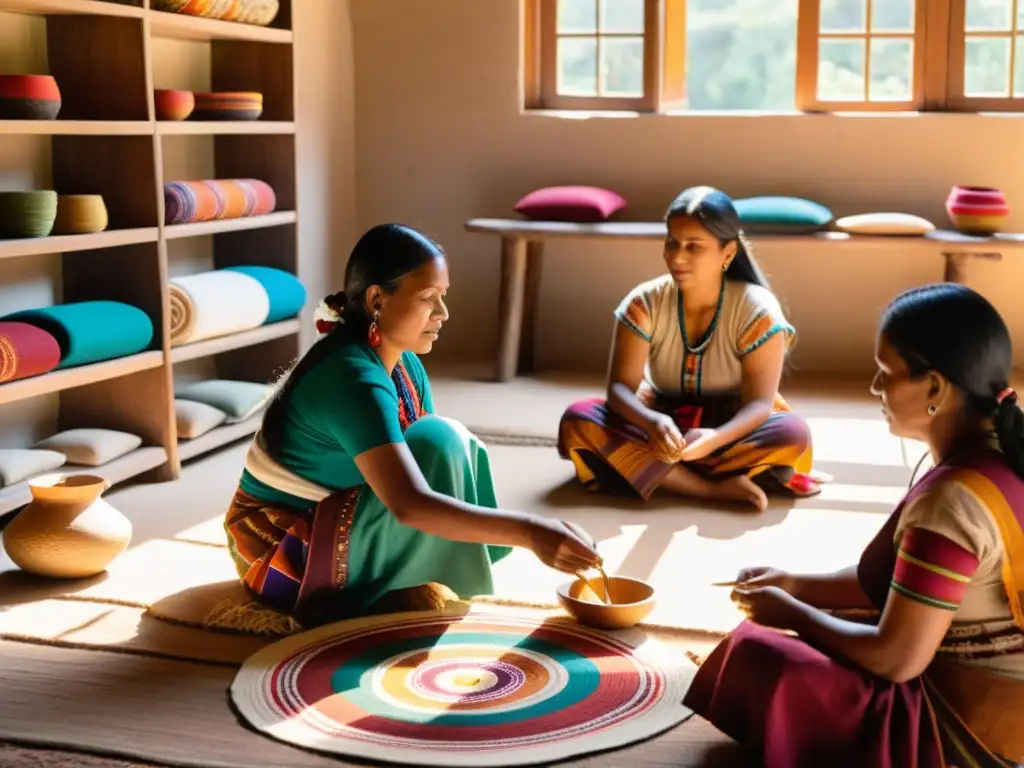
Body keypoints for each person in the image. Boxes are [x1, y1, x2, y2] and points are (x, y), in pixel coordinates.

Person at [684, 283, 1024, 767]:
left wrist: (791, 612)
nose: (874, 388)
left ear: (934, 387)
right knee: (831, 626)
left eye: (886, 374)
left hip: (967, 729)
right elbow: (901, 587)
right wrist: (796, 584)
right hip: (996, 695)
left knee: (760, 652)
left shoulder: (952, 501)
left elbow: (896, 659)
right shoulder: (1000, 457)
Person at [224, 223, 602, 627]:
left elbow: (429, 474)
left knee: (448, 443)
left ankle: (402, 585)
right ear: (376, 300)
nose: (443, 313)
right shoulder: (350, 376)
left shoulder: (405, 367)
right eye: (428, 298)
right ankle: (351, 597)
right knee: (438, 440)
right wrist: (530, 532)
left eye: (443, 297)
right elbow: (409, 503)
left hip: (336, 518)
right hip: (280, 552)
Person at [558, 186, 818, 512]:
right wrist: (651, 421)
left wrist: (715, 438)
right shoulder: (643, 302)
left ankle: (651, 472)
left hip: (731, 423)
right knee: (578, 419)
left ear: (727, 254)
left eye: (694, 246)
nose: (677, 257)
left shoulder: (758, 310)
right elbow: (620, 389)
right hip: (657, 422)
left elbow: (759, 405)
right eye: (672, 242)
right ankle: (711, 488)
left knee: (792, 433)